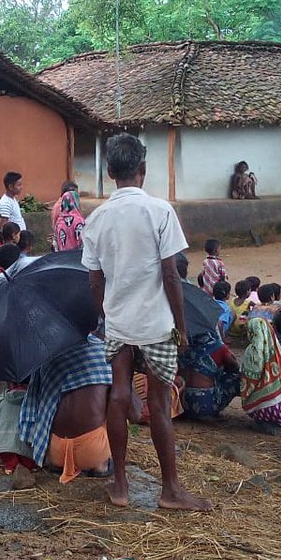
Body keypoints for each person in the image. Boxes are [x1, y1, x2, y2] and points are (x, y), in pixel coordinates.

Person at [82, 132, 210, 511]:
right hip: (157, 322)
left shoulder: (97, 218)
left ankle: (119, 485)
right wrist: (181, 326)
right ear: (143, 169)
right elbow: (172, 275)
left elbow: (93, 279)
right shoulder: (160, 211)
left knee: (119, 393)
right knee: (158, 401)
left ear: (109, 172)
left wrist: (107, 313)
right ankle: (170, 489)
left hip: (119, 323)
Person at [18, 336, 116, 483]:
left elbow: (33, 405)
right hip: (92, 451)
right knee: (116, 402)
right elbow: (133, 412)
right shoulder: (104, 352)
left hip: (54, 452)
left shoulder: (48, 356)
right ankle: (100, 466)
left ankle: (63, 463)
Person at [178, 331, 241, 421]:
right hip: (205, 407)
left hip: (180, 405)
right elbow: (234, 368)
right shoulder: (217, 346)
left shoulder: (181, 344)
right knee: (236, 378)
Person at [51, 181, 85, 251]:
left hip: (63, 258)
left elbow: (55, 244)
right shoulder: (79, 221)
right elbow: (84, 242)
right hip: (76, 258)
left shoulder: (59, 222)